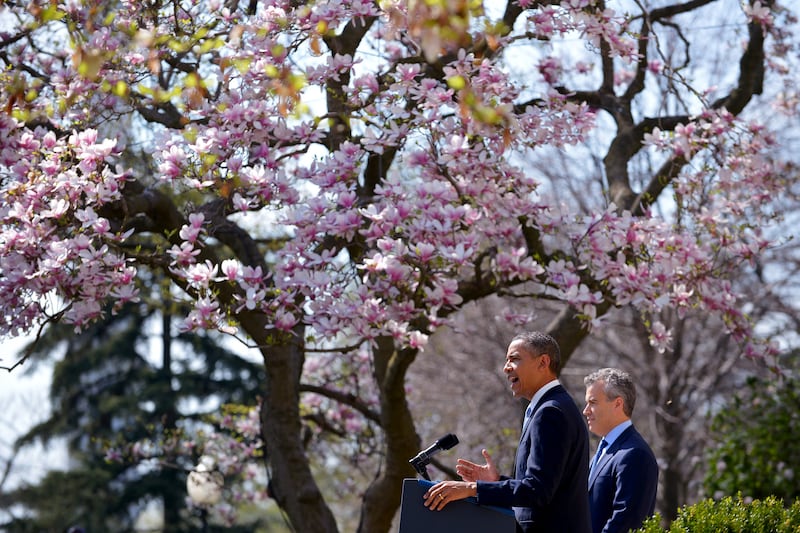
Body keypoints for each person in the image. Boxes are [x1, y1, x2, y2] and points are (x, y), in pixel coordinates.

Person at [423, 331, 591, 533]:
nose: (506, 368)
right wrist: (497, 482)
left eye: (515, 359)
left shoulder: (550, 412)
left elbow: (538, 491)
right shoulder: (549, 407)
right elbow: (543, 486)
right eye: (506, 361)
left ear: (543, 362)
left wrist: (471, 489)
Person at [583, 368, 658, 533]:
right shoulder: (607, 449)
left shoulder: (635, 454)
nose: (585, 410)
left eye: (593, 402)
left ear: (618, 403)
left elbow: (625, 522)